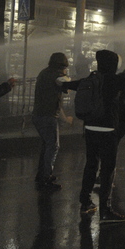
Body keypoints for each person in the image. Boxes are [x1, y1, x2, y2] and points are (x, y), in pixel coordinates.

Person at [65, 50, 125, 222]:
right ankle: (105, 210)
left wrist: (60, 83)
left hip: (90, 128)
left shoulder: (90, 79)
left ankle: (85, 202)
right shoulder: (114, 80)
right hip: (108, 130)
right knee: (108, 169)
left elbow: (70, 85)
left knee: (91, 165)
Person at [32, 52, 73, 189]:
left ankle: (42, 174)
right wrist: (65, 75)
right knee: (53, 146)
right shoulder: (56, 75)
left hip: (40, 114)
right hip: (47, 116)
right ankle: (45, 177)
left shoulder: (44, 72)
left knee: (47, 145)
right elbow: (67, 84)